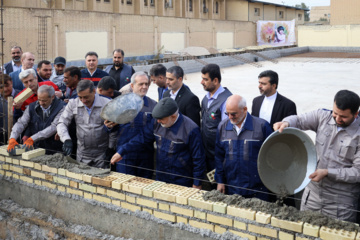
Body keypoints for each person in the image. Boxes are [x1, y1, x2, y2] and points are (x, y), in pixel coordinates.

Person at [274, 90, 360, 222]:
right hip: (312, 196)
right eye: (335, 113)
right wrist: (286, 122)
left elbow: (357, 172)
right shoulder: (323, 116)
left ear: (356, 114)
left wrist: (327, 172)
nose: (337, 119)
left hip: (341, 203)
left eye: (343, 117)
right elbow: (299, 120)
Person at [111, 97, 206, 188]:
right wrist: (122, 151)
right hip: (161, 176)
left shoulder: (191, 129)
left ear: (173, 116)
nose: (158, 121)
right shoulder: (157, 123)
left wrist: (197, 183)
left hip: (181, 179)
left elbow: (198, 158)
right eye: (157, 119)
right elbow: (141, 139)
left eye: (161, 119)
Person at [215, 95, 272, 200]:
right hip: (232, 189)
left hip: (258, 190)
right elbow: (219, 157)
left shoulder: (262, 127)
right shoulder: (222, 127)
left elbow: (272, 157)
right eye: (227, 113)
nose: (230, 117)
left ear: (245, 109)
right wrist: (220, 181)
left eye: (233, 114)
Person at [57, 80, 117, 168]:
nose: (83, 100)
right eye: (80, 97)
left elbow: (113, 128)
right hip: (82, 152)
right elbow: (62, 122)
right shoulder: (73, 103)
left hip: (102, 152)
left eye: (86, 97)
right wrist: (66, 139)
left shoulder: (107, 103)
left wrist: (111, 148)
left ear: (94, 91)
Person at [107, 72, 156, 178]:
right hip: (124, 156)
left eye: (146, 84)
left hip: (145, 157)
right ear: (132, 86)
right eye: (141, 84)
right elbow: (110, 129)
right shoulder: (120, 104)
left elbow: (152, 132)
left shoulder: (154, 106)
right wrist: (109, 126)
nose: (144, 87)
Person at [7, 85, 65, 155]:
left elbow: (53, 127)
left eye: (44, 100)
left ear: (52, 97)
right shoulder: (32, 106)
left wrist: (32, 138)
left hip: (55, 149)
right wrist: (13, 137)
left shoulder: (62, 107)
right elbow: (21, 122)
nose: (41, 103)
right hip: (37, 147)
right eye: (39, 99)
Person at [201, 64, 232, 173]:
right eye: (202, 79)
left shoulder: (226, 101)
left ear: (215, 80)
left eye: (205, 79)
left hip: (219, 156)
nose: (202, 82)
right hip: (207, 153)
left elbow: (227, 132)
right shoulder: (205, 99)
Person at [0, 74, 21, 144]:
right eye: (1, 87)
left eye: (7, 86)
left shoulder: (21, 95)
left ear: (11, 83)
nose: (5, 89)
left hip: (20, 136)